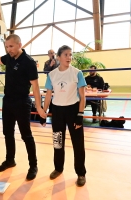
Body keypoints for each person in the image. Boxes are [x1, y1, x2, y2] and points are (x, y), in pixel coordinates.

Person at [0, 33, 46, 180]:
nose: (9, 49)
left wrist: (39, 107)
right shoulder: (9, 57)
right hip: (7, 101)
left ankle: (33, 165)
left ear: (19, 45)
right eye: (7, 46)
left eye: (11, 46)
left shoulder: (29, 62)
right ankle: (10, 160)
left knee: (26, 135)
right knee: (7, 133)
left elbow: (35, 87)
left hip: (22, 102)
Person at [40, 45, 87, 187]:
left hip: (73, 111)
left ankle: (81, 173)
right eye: (66, 54)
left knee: (78, 144)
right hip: (58, 112)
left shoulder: (77, 73)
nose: (69, 57)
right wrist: (44, 112)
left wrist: (80, 114)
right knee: (58, 141)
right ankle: (58, 168)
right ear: (59, 57)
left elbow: (83, 96)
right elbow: (48, 95)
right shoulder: (52, 74)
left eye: (70, 54)